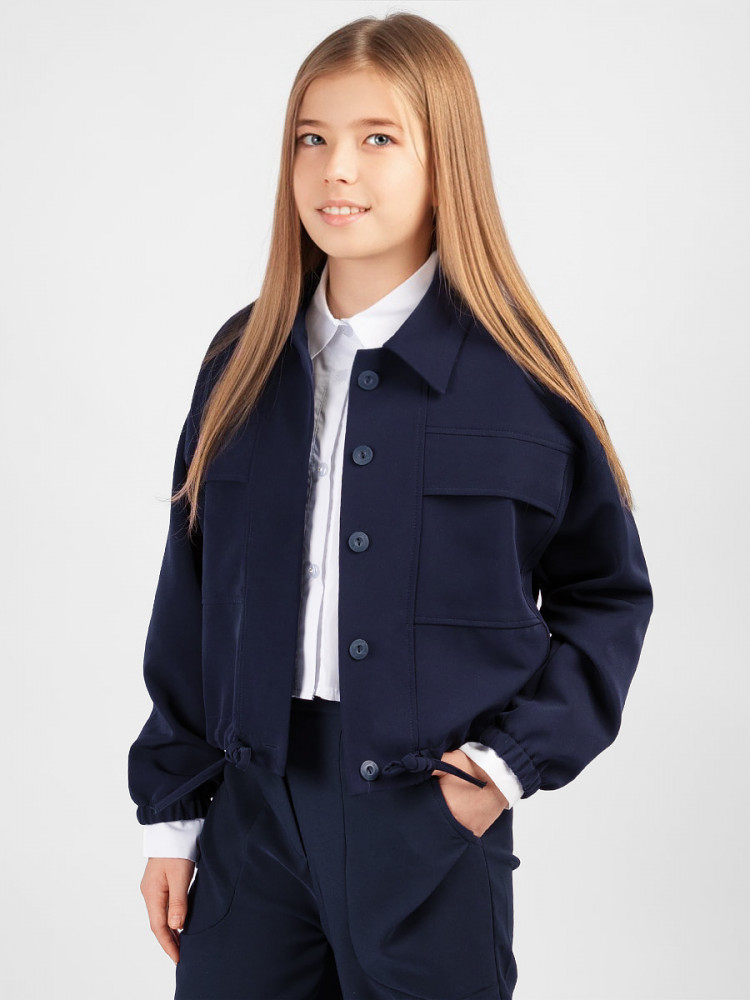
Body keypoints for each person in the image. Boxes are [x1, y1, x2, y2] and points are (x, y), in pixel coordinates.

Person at [128, 12, 654, 1000]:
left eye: (378, 138)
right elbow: (191, 596)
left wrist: (503, 768)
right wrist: (173, 816)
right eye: (312, 138)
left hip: (425, 821)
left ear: (444, 161)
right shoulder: (241, 362)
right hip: (251, 818)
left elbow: (607, 596)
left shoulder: (519, 379)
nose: (337, 169)